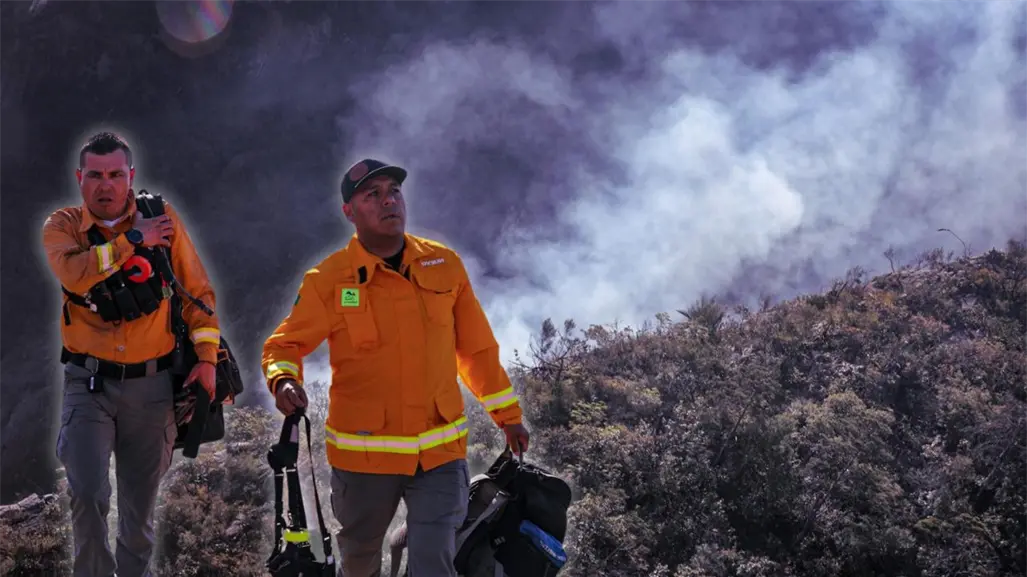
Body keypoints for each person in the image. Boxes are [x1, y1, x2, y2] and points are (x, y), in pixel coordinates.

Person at [262, 158, 530, 577]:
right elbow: (286, 343)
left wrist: (508, 416)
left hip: (440, 454)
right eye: (373, 195)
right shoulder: (329, 280)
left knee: (434, 566)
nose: (389, 201)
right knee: (359, 563)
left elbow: (476, 350)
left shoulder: (444, 265)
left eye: (394, 192)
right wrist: (283, 379)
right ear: (350, 212)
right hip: (364, 459)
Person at [41, 131, 221, 577]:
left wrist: (207, 360)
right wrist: (132, 242)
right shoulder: (62, 226)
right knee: (87, 492)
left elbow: (197, 294)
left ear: (130, 177)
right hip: (89, 382)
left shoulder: (162, 218)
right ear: (80, 179)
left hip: (152, 386)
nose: (106, 185)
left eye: (116, 175)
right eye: (96, 175)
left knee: (139, 512)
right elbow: (75, 274)